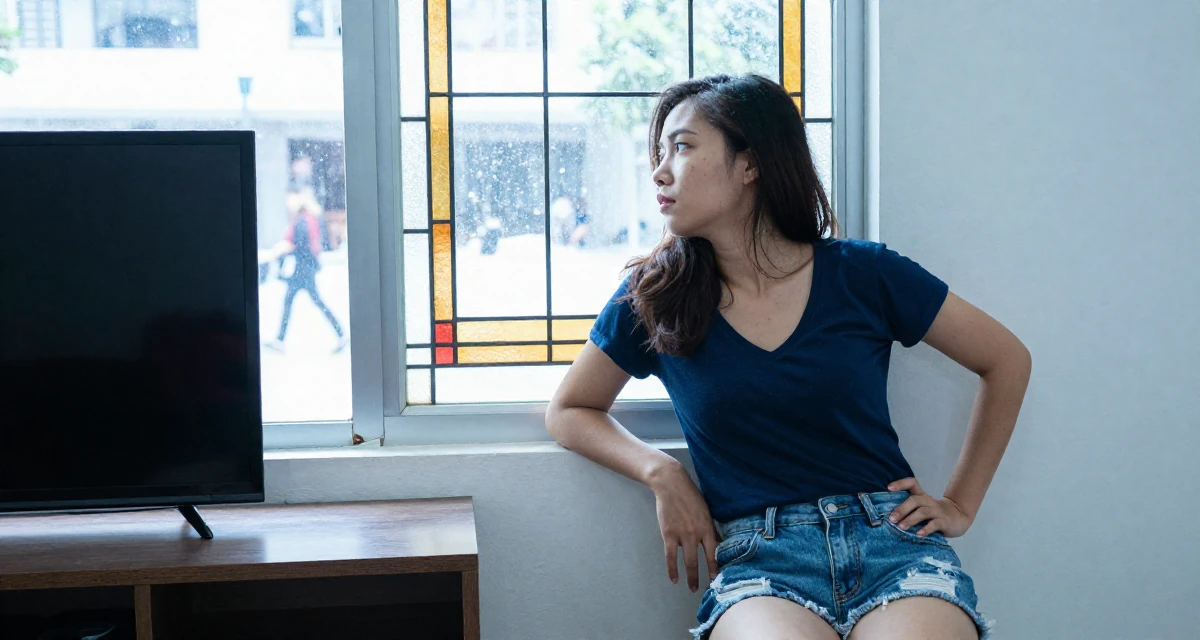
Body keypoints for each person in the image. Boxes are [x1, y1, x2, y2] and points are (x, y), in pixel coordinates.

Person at [545, 74, 1031, 640]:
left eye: (681, 146)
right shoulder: (655, 297)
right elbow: (571, 409)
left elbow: (1006, 360)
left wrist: (959, 504)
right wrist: (664, 474)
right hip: (761, 561)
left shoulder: (865, 274)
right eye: (661, 152)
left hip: (893, 546)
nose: (659, 171)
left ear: (750, 164)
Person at [263, 189, 348, 355]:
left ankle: (341, 333)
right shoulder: (309, 218)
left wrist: (286, 252)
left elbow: (300, 244)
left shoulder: (302, 220)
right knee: (308, 302)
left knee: (301, 302)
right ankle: (340, 333)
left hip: (302, 269)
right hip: (305, 268)